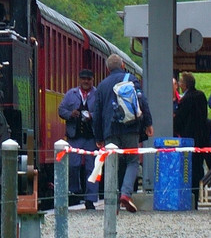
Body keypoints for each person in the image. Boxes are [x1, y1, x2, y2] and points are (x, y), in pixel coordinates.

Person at [92, 53, 153, 213]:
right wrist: (148, 123)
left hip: (110, 131)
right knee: (132, 161)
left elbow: (96, 113)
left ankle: (114, 203)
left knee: (114, 164)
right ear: (123, 65)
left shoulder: (102, 85)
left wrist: (98, 137)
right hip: (130, 128)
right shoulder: (131, 79)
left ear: (107, 68)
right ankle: (126, 194)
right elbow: (142, 100)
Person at [58, 68, 99, 209]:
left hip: (91, 137)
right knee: (73, 165)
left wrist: (92, 116)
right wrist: (71, 114)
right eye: (83, 79)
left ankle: (90, 199)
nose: (86, 81)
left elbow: (102, 112)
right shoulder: (71, 94)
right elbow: (61, 110)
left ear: (92, 80)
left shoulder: (97, 94)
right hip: (74, 136)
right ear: (79, 80)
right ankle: (74, 191)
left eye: (88, 79)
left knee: (91, 168)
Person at [174, 72, 209, 208]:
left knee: (189, 168)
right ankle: (196, 197)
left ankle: (190, 199)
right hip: (201, 139)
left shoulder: (186, 99)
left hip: (189, 139)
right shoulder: (201, 96)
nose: (180, 85)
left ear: (185, 85)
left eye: (181, 82)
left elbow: (179, 120)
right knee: (198, 167)